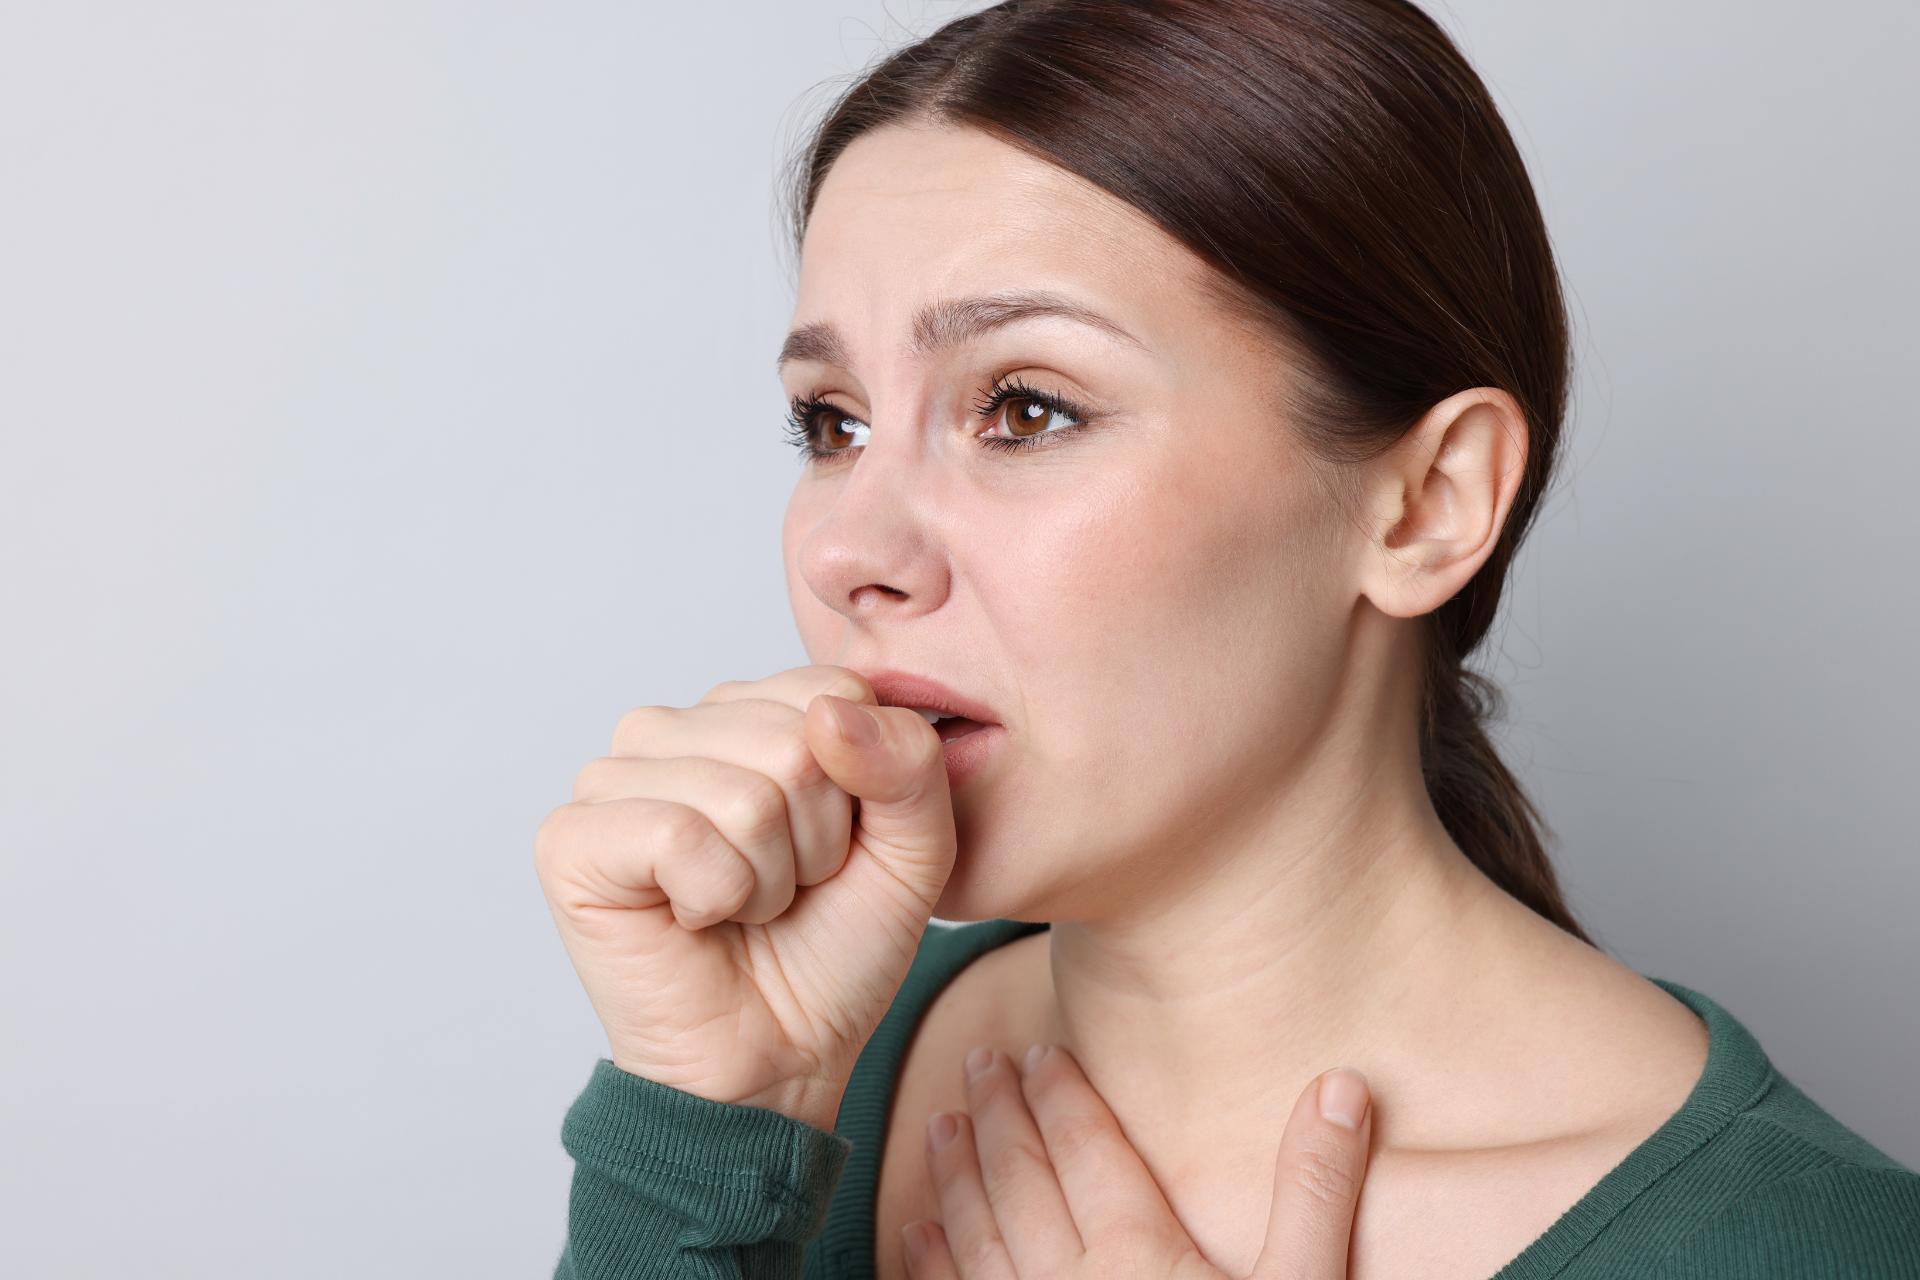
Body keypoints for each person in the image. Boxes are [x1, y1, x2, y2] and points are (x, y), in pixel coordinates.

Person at [534, 1, 1920, 1276]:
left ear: (1427, 506)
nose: (848, 554)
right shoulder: (796, 1076)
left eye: (1024, 407)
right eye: (832, 423)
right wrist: (701, 1143)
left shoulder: (1809, 1244)